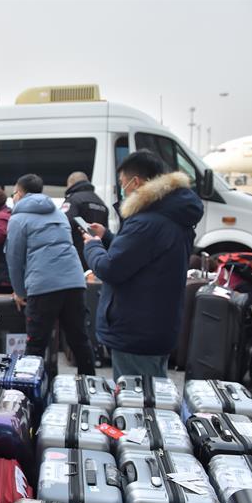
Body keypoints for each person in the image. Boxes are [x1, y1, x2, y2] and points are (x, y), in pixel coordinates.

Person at [83, 150, 204, 379]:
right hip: (157, 324)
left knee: (136, 405)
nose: (122, 189)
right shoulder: (172, 213)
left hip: (136, 329)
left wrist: (93, 246)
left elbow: (111, 268)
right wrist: (108, 237)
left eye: (122, 183)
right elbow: (142, 255)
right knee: (153, 398)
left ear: (135, 182)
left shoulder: (146, 222)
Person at [5, 173, 95, 375]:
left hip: (43, 285)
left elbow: (14, 258)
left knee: (36, 344)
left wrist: (20, 292)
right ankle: (90, 390)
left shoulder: (18, 219)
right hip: (74, 282)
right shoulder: (59, 213)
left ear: (19, 193)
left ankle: (29, 396)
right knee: (79, 340)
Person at [62, 171, 109, 268]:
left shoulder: (73, 200)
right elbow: (105, 233)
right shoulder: (101, 203)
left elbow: (63, 224)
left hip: (76, 258)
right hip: (96, 255)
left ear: (70, 184)